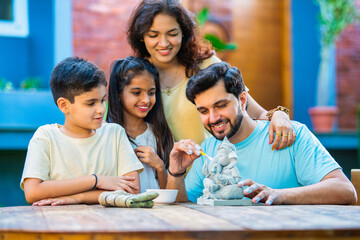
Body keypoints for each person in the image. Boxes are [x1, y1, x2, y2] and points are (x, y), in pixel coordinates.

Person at [166, 62, 357, 205]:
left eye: (221, 105)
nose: (213, 118)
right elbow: (184, 207)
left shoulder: (290, 134)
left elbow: (346, 191)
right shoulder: (208, 148)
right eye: (204, 111)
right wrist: (175, 171)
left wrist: (279, 195)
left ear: (242, 101)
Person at [127, 0, 295, 150]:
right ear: (141, 36)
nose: (163, 43)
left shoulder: (207, 65)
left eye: (172, 33)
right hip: (166, 181)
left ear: (183, 33)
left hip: (215, 176)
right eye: (153, 35)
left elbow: (255, 113)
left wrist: (280, 115)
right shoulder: (136, 78)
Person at [20, 57, 144, 206]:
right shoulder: (46, 137)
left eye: (102, 100)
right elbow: (33, 192)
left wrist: (77, 198)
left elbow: (132, 190)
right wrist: (96, 180)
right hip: (59, 225)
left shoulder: (114, 134)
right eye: (91, 103)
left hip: (109, 226)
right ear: (64, 105)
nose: (101, 110)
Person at [107, 56, 173, 191]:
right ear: (119, 94)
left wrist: (159, 166)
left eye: (151, 92)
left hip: (158, 209)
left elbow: (170, 191)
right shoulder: (107, 135)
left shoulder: (160, 133)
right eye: (137, 93)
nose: (146, 100)